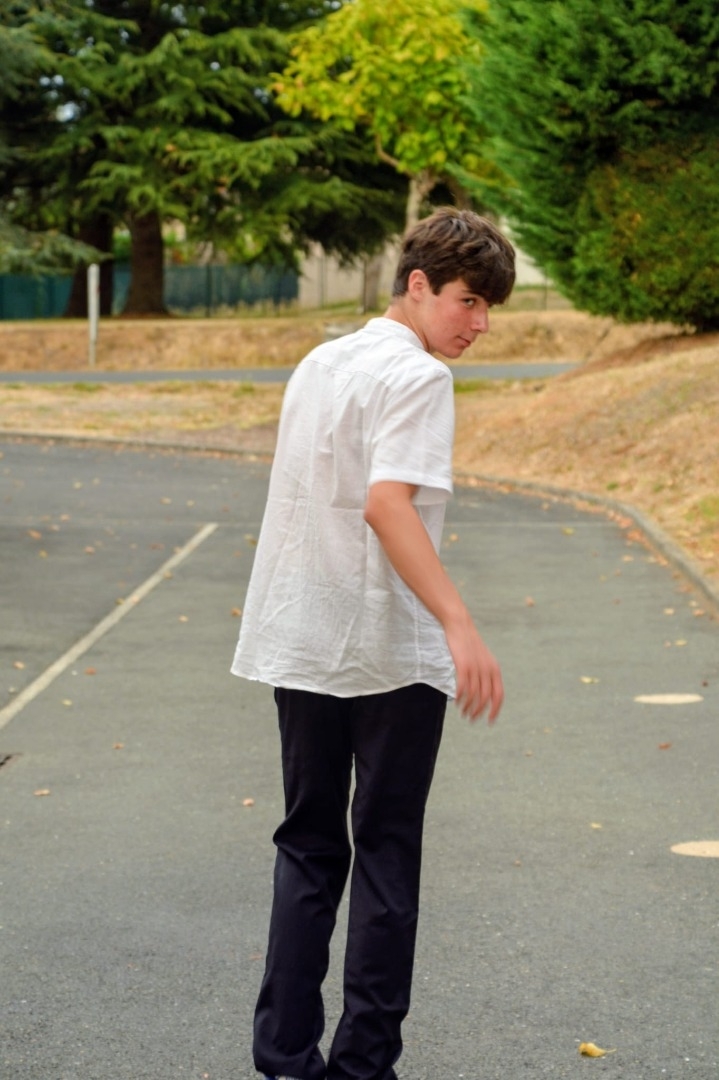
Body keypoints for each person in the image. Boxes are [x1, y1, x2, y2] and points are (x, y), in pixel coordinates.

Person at [231, 207, 516, 1080]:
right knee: (386, 852)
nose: (477, 324)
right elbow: (386, 505)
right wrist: (458, 622)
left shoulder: (319, 363)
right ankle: (362, 1068)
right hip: (389, 649)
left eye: (488, 308)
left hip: (303, 637)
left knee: (308, 846)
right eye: (467, 301)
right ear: (417, 285)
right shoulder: (419, 378)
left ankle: (285, 1058)